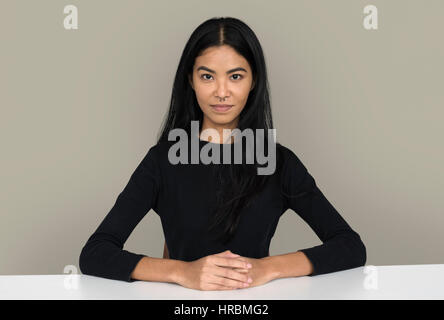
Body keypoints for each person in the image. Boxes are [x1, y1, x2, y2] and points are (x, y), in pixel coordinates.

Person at [79, 17, 366, 291]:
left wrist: (267, 268)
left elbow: (350, 247)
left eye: (235, 76)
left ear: (253, 81)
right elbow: (95, 253)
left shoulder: (278, 163)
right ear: (191, 80)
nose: (221, 92)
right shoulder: (163, 160)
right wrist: (183, 272)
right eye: (207, 76)